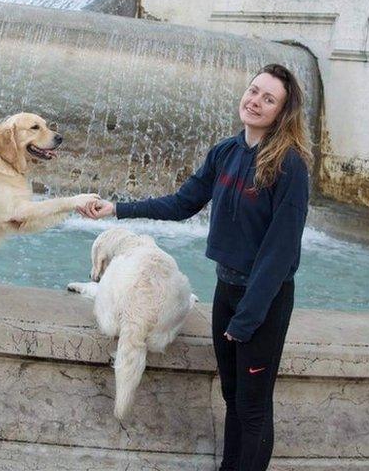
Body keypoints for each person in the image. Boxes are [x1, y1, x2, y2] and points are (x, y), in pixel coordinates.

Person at [80, 63, 313, 471]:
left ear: (282, 112)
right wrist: (117, 208)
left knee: (253, 405)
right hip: (228, 290)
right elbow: (182, 203)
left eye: (268, 99)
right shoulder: (226, 152)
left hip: (264, 300)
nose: (255, 101)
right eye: (254, 91)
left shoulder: (288, 165)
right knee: (231, 395)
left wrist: (249, 316)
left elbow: (280, 251)